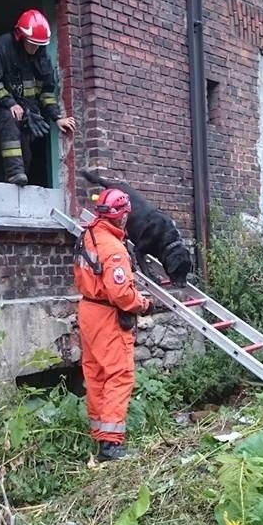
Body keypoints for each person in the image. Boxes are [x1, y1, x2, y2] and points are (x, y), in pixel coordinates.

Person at [73, 188, 154, 463]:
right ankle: (111, 445)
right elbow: (120, 293)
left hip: (88, 310)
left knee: (95, 374)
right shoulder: (114, 248)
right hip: (107, 315)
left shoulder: (89, 235)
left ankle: (100, 435)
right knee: (119, 375)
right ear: (121, 215)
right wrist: (142, 303)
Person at [0, 9, 76, 187]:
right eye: (32, 44)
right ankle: (14, 174)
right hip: (3, 105)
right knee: (9, 125)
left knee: (26, 152)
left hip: (29, 111)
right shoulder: (3, 46)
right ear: (20, 36)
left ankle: (19, 178)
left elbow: (47, 91)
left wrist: (57, 117)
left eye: (39, 45)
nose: (35, 49)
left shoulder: (42, 58)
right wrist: (10, 103)